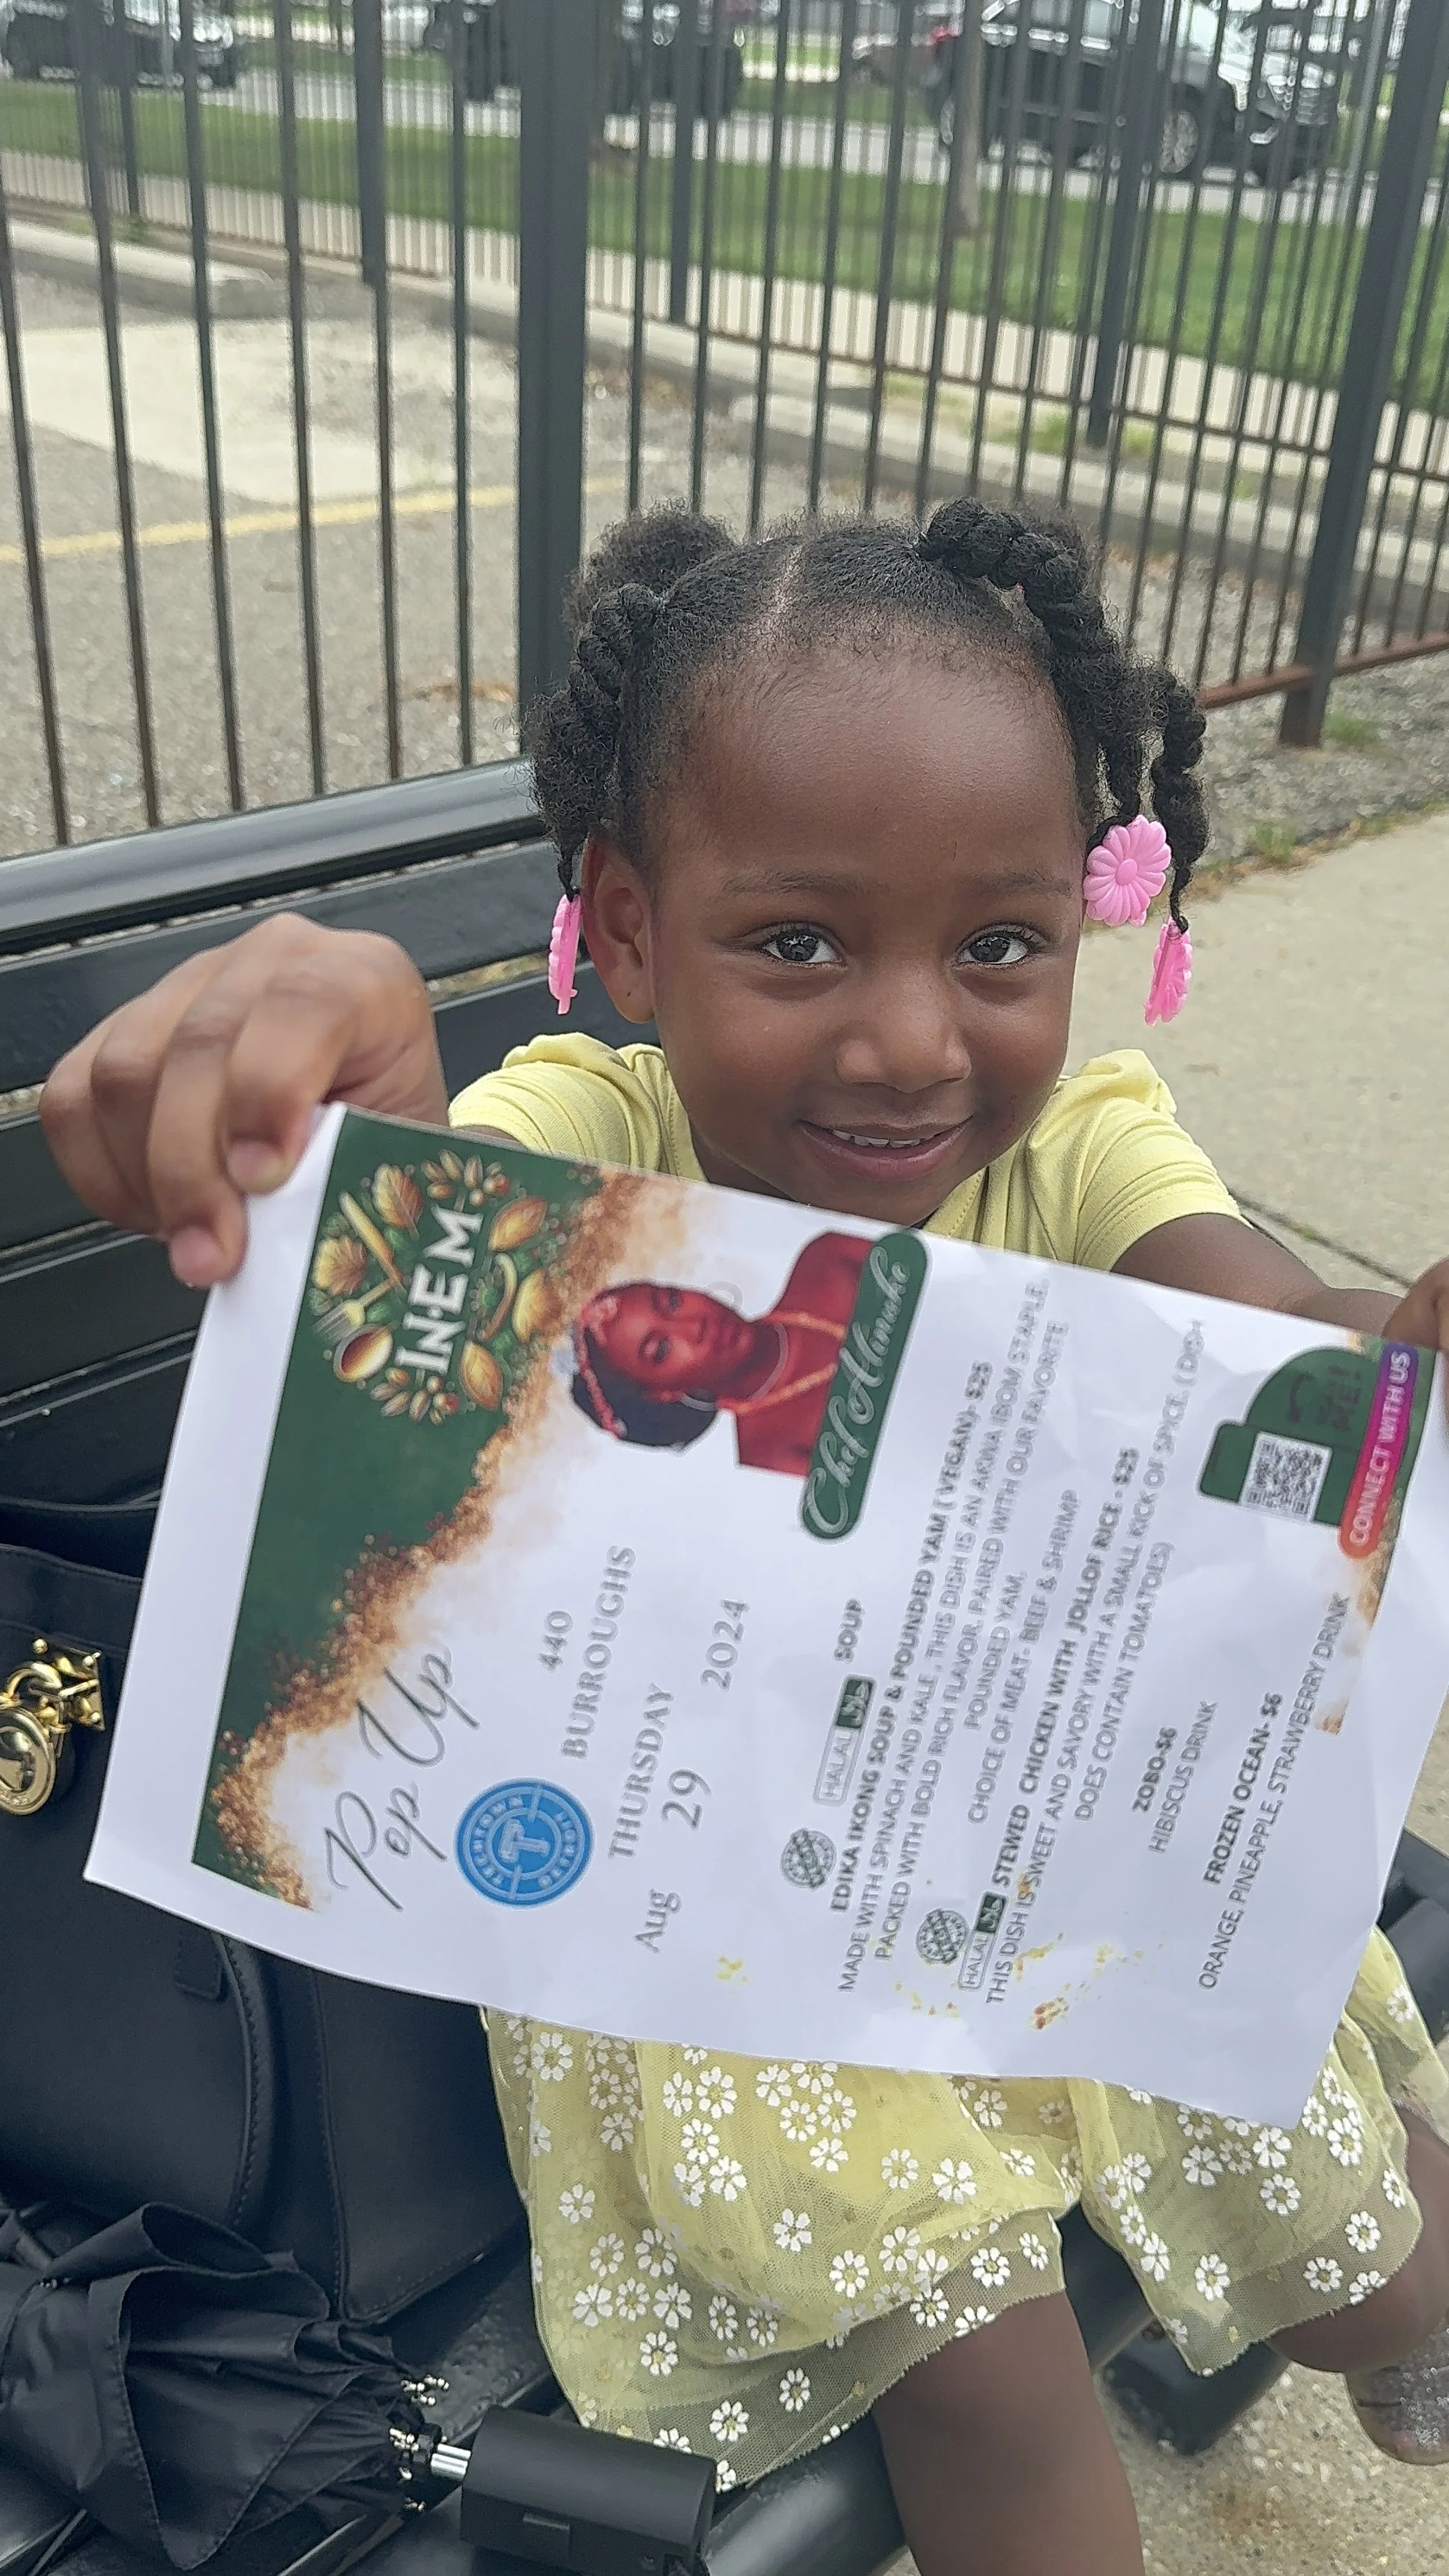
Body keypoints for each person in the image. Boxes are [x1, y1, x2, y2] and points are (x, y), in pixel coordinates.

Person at [39, 496, 1449, 2576]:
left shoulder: (1073, 1140)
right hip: (708, 1909)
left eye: (999, 945)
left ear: (1079, 919)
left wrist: (1386, 1352)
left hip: (1026, 1819)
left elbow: (1270, 1331)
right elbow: (412, 1241)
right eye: (796, 940)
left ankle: (1397, 2328)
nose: (906, 1039)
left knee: (1384, 2203)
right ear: (619, 924)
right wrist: (348, 1110)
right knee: (976, 2356)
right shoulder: (583, 1139)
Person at [570, 1233, 869, 1473]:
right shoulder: (770, 1455)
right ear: (665, 1394)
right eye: (661, 1350)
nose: (694, 1326)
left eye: (672, 1302)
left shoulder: (828, 1260)